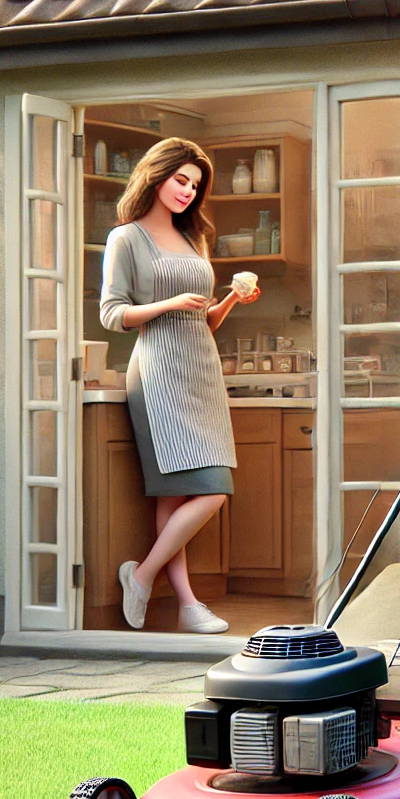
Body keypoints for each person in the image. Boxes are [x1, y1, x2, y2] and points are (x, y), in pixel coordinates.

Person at [100, 138, 259, 634]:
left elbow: (204, 322)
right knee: (205, 492)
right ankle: (148, 579)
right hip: (157, 373)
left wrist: (232, 298)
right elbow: (111, 314)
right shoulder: (125, 238)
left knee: (180, 496)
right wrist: (167, 305)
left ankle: (177, 598)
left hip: (201, 371)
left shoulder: (195, 240)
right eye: (181, 180)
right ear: (156, 176)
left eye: (195, 185)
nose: (188, 192)